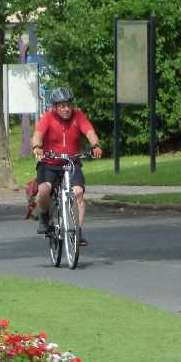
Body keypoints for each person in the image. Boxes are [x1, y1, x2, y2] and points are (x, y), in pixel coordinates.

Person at [31, 87, 103, 244]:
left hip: (71, 162)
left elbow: (89, 131)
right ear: (55, 107)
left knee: (78, 193)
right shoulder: (48, 117)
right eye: (62, 106)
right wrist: (37, 147)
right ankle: (44, 217)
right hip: (49, 163)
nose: (66, 109)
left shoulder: (78, 116)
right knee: (44, 189)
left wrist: (95, 145)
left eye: (69, 105)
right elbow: (38, 134)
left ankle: (77, 230)